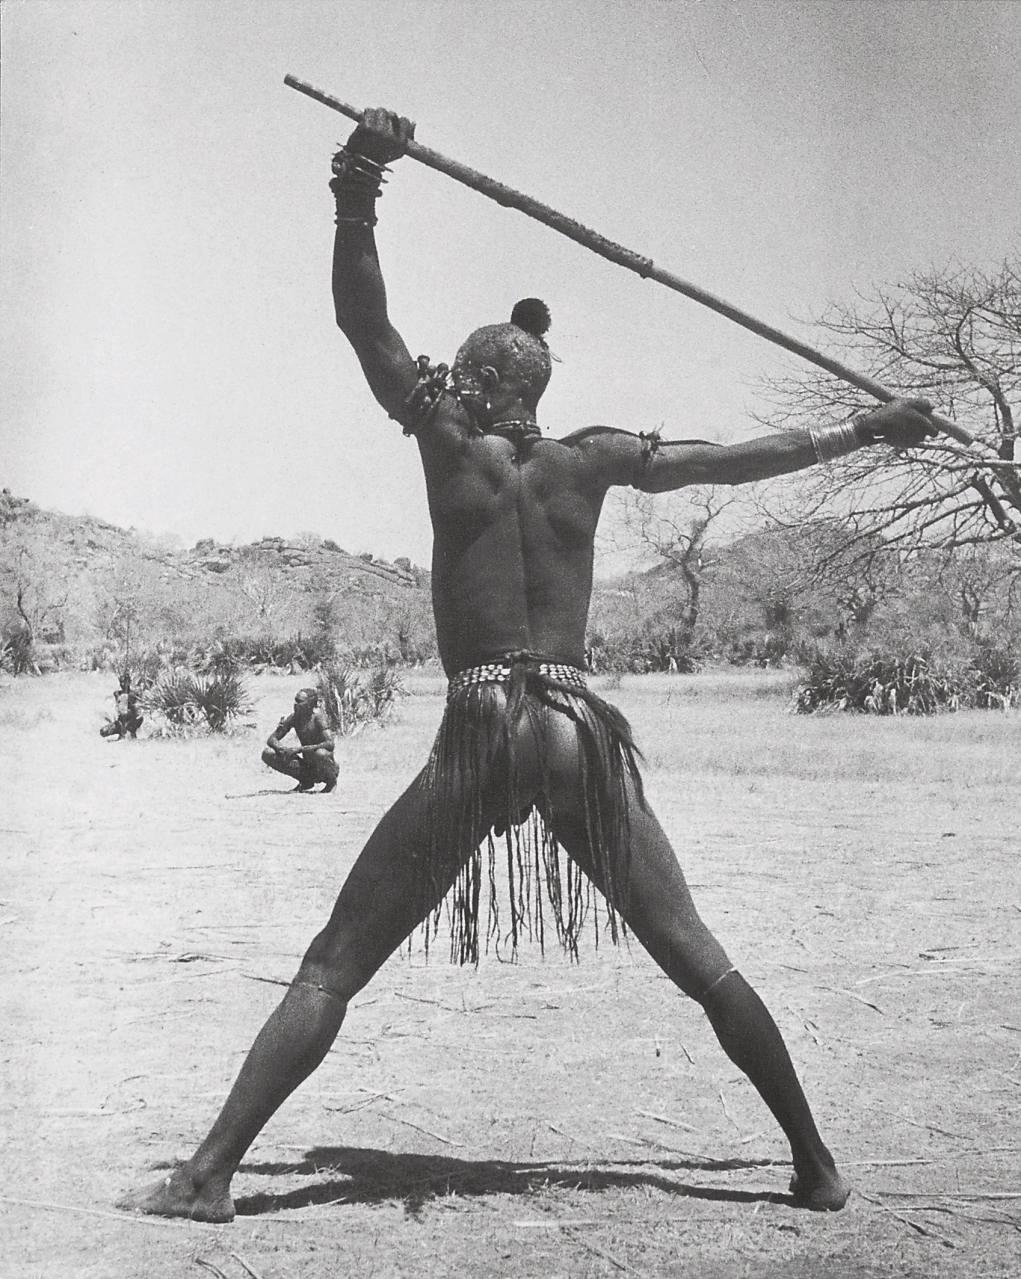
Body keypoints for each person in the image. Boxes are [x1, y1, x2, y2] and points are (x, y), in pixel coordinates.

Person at [120, 109, 938, 1223]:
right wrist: (861, 429)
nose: (443, 384)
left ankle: (210, 1173)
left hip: (482, 724)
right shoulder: (592, 458)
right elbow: (728, 462)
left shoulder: (445, 442)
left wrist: (357, 186)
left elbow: (364, 321)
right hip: (570, 719)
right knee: (695, 954)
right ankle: (814, 1163)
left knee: (333, 963)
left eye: (456, 374)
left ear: (474, 381)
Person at [261, 688, 338, 793]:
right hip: (307, 765)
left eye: (300, 702)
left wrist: (300, 750)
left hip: (323, 765)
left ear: (310, 704)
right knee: (268, 753)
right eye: (295, 700)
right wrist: (282, 749)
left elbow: (330, 743)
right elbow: (272, 739)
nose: (295, 704)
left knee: (320, 754)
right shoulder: (294, 717)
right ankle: (306, 782)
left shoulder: (318, 717)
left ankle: (331, 782)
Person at [100, 673, 143, 740]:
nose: (122, 684)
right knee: (103, 731)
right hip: (120, 721)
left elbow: (138, 708)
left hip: (131, 720)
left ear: (129, 682)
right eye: (121, 682)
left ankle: (128, 733)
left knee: (129, 737)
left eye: (124, 682)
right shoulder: (117, 693)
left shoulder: (134, 694)